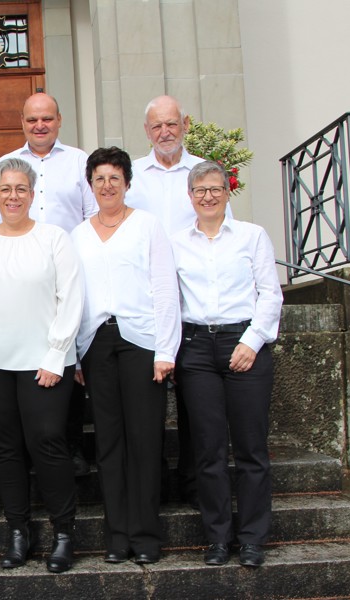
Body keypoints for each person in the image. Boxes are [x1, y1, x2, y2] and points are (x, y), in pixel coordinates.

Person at [0, 157, 84, 574]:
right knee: (4, 450)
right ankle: (18, 531)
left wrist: (56, 354)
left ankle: (64, 533)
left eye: (21, 189)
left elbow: (71, 298)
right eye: (5, 189)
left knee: (47, 442)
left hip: (44, 363)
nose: (13, 196)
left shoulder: (54, 238)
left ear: (32, 195)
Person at [170, 160, 283, 568]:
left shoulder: (252, 237)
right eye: (200, 190)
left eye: (215, 188)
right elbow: (169, 300)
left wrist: (252, 341)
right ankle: (218, 537)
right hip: (196, 348)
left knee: (251, 449)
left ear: (227, 192)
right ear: (190, 196)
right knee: (208, 450)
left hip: (244, 343)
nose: (208, 196)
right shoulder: (175, 242)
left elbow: (270, 294)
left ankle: (253, 538)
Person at [71, 147, 180, 565]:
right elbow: (75, 298)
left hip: (142, 343)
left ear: (127, 183)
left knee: (145, 440)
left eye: (114, 177)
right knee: (109, 444)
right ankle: (118, 535)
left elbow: (166, 289)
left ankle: (146, 534)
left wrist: (166, 349)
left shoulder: (147, 226)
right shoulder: (79, 235)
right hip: (97, 343)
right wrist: (77, 356)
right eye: (99, 178)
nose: (107, 185)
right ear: (91, 185)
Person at [124, 95, 233, 507]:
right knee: (147, 399)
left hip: (196, 303)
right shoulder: (133, 175)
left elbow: (225, 229)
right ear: (147, 131)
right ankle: (155, 484)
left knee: (195, 402)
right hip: (145, 301)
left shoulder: (204, 173)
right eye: (156, 127)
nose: (165, 133)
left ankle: (193, 482)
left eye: (171, 124)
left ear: (184, 124)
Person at [0, 92, 98, 476]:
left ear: (59, 120)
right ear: (22, 122)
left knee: (67, 360)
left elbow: (92, 215)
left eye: (47, 118)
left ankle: (70, 446)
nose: (40, 126)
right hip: (23, 277)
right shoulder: (6, 165)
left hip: (67, 270)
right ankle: (31, 450)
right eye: (32, 119)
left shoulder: (80, 161)